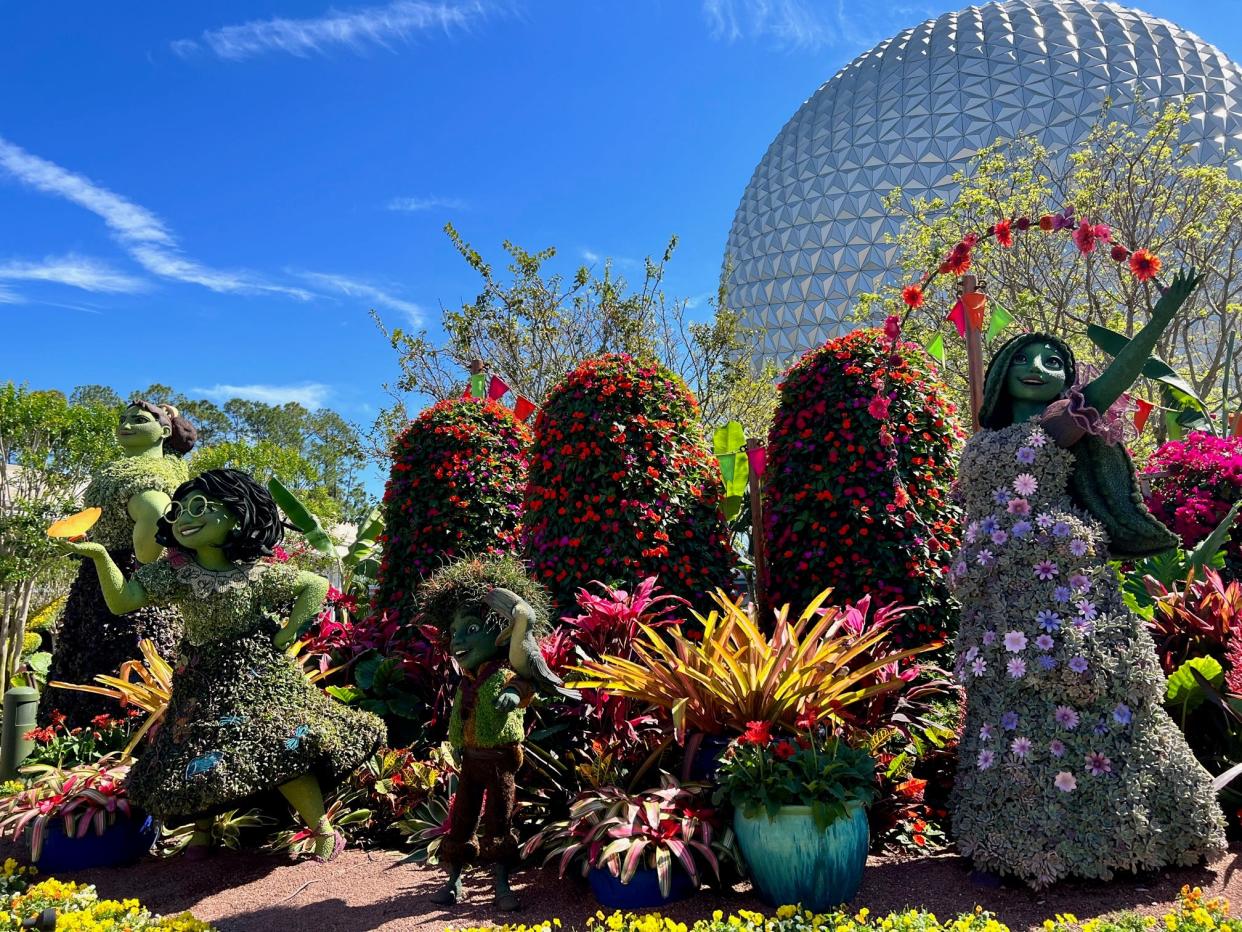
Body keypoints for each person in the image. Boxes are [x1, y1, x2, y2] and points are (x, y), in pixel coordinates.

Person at [948, 268, 1226, 888]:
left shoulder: (1059, 425)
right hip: (996, 588)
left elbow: (1114, 380)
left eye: (1054, 361)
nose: (1039, 366)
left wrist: (1157, 321)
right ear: (1000, 372)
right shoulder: (983, 436)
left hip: (1058, 582)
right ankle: (1011, 835)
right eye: (1025, 356)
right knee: (1006, 700)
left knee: (1082, 688)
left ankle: (1129, 831)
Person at [58, 468, 386, 861]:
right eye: (178, 509)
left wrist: (286, 635)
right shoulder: (175, 573)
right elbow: (123, 601)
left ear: (238, 515)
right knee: (198, 749)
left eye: (200, 507)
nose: (185, 517)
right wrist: (100, 555)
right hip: (200, 676)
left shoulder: (255, 573)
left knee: (281, 741)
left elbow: (313, 585)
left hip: (259, 674)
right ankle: (202, 832)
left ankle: (322, 830)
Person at [42, 400, 195, 727]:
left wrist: (143, 561)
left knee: (112, 666)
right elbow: (180, 450)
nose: (126, 424)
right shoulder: (168, 465)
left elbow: (155, 509)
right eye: (123, 419)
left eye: (138, 420)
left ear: (162, 432)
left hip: (122, 577)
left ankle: (102, 742)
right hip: (104, 579)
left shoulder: (147, 473)